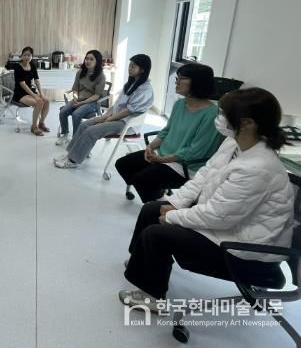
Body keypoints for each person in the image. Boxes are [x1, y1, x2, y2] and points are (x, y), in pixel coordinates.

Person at [119, 88, 294, 311]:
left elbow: (218, 216)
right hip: (229, 227)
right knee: (152, 209)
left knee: (157, 234)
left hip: (245, 251)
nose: (220, 118)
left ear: (247, 123)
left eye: (225, 114)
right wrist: (175, 203)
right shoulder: (234, 143)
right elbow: (205, 174)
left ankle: (152, 297)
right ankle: (142, 264)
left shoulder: (258, 167)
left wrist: (173, 216)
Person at [115, 63, 222, 202]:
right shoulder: (180, 104)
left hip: (186, 166)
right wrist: (150, 147)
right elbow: (166, 131)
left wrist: (162, 160)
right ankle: (157, 195)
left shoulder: (212, 114)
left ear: (198, 82)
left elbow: (195, 152)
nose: (176, 82)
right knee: (123, 164)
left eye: (182, 78)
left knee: (142, 179)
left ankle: (160, 205)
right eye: (177, 78)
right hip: (164, 155)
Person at [54, 54, 153, 168]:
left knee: (91, 131)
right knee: (84, 125)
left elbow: (127, 112)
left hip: (126, 123)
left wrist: (108, 119)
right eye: (129, 65)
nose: (129, 68)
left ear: (142, 70)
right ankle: (70, 154)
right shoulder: (131, 84)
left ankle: (72, 161)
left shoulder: (145, 90)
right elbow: (116, 106)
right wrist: (105, 116)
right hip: (116, 117)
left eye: (133, 66)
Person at [56, 50, 106, 145]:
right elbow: (75, 89)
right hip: (79, 99)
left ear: (97, 61)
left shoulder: (101, 76)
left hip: (92, 102)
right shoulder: (80, 72)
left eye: (91, 59)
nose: (88, 61)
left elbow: (97, 95)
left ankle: (76, 138)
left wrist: (81, 103)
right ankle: (65, 134)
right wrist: (75, 99)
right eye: (86, 58)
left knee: (76, 114)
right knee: (63, 112)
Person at [13, 46, 50, 136]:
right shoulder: (18, 67)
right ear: (21, 56)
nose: (27, 57)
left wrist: (41, 94)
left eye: (29, 55)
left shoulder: (32, 65)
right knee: (39, 102)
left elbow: (37, 80)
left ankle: (41, 123)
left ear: (31, 56)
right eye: (25, 55)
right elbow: (23, 84)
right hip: (20, 93)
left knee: (46, 101)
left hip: (30, 91)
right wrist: (35, 96)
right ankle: (34, 127)